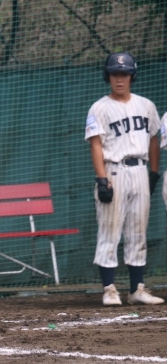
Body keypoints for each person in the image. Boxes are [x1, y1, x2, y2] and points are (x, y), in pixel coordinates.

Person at [84, 52, 163, 306]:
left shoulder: (146, 105)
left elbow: (153, 139)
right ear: (107, 77)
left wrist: (153, 172)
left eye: (124, 74)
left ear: (132, 76)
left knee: (138, 231)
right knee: (110, 229)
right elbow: (96, 145)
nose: (119, 79)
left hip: (140, 170)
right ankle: (109, 289)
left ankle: (136, 289)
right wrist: (101, 179)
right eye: (115, 74)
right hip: (113, 171)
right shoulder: (99, 108)